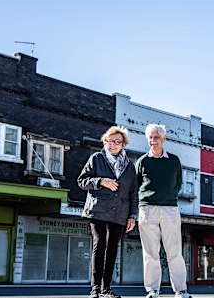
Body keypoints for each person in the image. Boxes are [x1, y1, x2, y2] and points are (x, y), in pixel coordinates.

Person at [78, 126, 138, 298]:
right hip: (98, 210)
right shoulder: (96, 158)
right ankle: (95, 288)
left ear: (123, 144)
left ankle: (106, 289)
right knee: (100, 243)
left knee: (112, 249)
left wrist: (132, 216)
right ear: (105, 142)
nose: (113, 144)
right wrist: (100, 181)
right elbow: (82, 181)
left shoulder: (130, 167)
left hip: (120, 213)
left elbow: (133, 194)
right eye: (110, 141)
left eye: (117, 141)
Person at [135, 124, 192, 298]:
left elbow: (178, 183)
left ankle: (180, 290)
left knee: (174, 251)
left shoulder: (174, 160)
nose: (153, 141)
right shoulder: (142, 161)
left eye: (156, 137)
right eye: (150, 137)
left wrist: (168, 197)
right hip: (147, 208)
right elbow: (136, 185)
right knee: (150, 253)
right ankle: (153, 290)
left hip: (170, 209)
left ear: (164, 139)